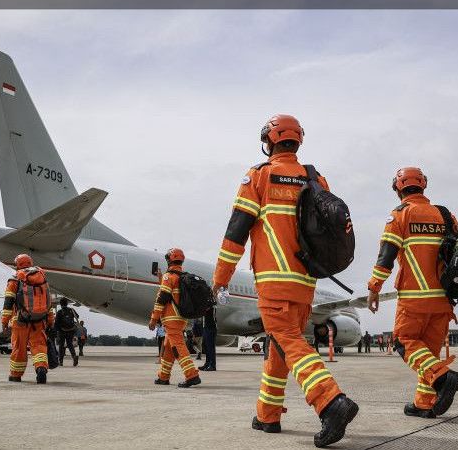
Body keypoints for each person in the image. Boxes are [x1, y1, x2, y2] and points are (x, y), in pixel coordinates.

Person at [212, 115, 358, 448]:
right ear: (297, 142)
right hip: (306, 281)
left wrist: (221, 279)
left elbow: (236, 233)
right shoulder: (315, 178)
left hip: (274, 279)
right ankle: (268, 415)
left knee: (289, 341)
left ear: (269, 141)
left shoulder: (259, 176)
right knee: (280, 343)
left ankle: (330, 402)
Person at [367, 167, 458, 420]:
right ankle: (424, 403)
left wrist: (374, 288)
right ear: (424, 186)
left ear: (398, 189)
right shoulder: (446, 216)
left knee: (404, 342)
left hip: (414, 297)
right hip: (443, 300)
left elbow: (386, 257)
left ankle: (443, 377)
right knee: (427, 353)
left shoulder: (400, 215)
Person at [148, 248, 201, 388]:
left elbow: (162, 299)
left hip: (171, 319)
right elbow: (172, 294)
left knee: (179, 347)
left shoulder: (168, 277)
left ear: (169, 260)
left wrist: (154, 318)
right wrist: (161, 279)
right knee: (168, 349)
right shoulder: (180, 277)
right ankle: (163, 377)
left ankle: (192, 375)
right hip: (181, 318)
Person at [2, 254, 56, 384]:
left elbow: (8, 302)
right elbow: (48, 302)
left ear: (18, 265)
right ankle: (41, 368)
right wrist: (50, 320)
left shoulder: (15, 279)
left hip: (20, 320)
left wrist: (4, 320)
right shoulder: (41, 276)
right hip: (39, 320)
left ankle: (16, 375)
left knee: (19, 348)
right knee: (39, 347)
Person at [55, 297, 79, 367]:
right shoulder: (71, 310)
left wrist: (55, 331)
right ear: (67, 303)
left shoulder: (60, 312)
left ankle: (61, 361)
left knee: (61, 346)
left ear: (60, 304)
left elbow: (56, 323)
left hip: (62, 331)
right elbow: (77, 316)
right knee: (70, 344)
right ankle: (74, 356)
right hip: (71, 330)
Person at [200, 306, 217, 371]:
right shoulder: (207, 303)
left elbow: (206, 309)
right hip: (206, 327)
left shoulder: (212, 305)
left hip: (211, 327)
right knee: (205, 346)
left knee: (210, 347)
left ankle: (212, 365)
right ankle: (207, 364)